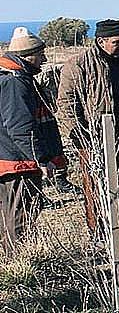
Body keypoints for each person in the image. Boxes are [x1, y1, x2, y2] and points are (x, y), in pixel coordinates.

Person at [57, 19, 119, 243]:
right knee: (97, 187)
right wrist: (79, 136)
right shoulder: (78, 64)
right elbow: (66, 104)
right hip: (95, 138)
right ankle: (100, 234)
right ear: (101, 41)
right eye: (116, 42)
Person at [0, 27, 66, 252]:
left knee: (10, 216)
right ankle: (19, 266)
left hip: (10, 159)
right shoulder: (15, 82)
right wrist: (41, 158)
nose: (44, 59)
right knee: (21, 217)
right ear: (28, 55)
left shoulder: (11, 77)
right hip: (18, 163)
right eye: (40, 54)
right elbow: (20, 126)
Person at [35, 63, 81, 193]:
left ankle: (60, 179)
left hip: (46, 114)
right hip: (35, 115)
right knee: (39, 148)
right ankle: (40, 188)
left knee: (54, 144)